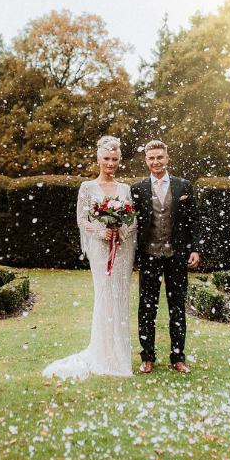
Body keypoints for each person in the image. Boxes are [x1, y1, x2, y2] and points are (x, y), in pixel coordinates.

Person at [42, 136, 137, 380]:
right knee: (105, 295)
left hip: (122, 249)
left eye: (115, 159)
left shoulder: (125, 189)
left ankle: (119, 357)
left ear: (119, 160)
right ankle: (103, 354)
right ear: (98, 158)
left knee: (121, 296)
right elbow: (82, 220)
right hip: (99, 248)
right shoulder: (87, 187)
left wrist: (119, 231)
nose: (110, 163)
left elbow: (133, 220)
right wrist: (102, 230)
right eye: (106, 158)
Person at [131, 140, 202, 375]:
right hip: (149, 255)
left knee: (177, 307)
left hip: (176, 256)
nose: (156, 162)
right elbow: (133, 224)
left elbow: (194, 220)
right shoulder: (138, 188)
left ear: (167, 158)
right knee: (147, 307)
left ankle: (178, 357)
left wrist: (195, 248)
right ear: (146, 161)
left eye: (160, 157)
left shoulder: (183, 186)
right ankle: (147, 356)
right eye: (151, 158)